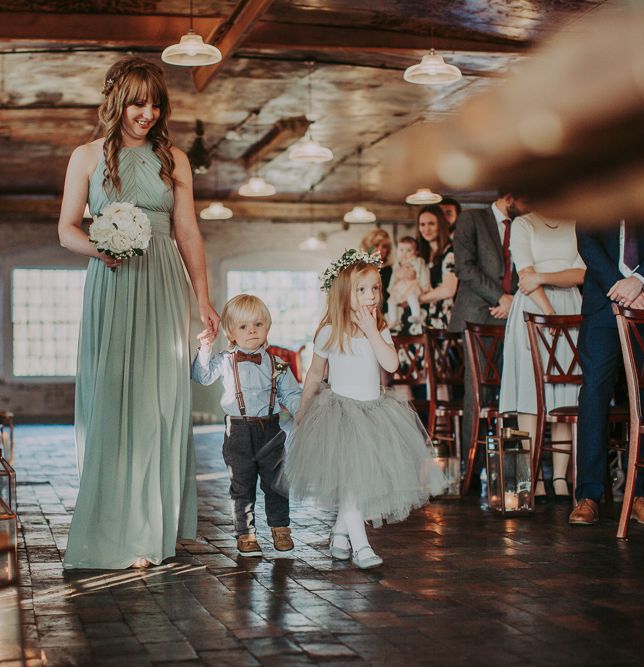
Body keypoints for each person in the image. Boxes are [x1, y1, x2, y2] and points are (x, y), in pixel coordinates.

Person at [58, 56, 219, 569]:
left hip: (164, 282)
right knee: (114, 397)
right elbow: (66, 229)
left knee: (160, 402)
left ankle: (157, 525)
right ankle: (117, 527)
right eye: (136, 103)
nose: (147, 113)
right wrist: (99, 249)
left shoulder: (174, 158)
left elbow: (188, 231)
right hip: (111, 281)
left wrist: (203, 300)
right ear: (116, 102)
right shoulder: (85, 157)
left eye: (155, 104)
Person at [282, 249, 445, 569]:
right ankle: (362, 547)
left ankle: (341, 534)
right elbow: (315, 374)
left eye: (375, 289)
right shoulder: (330, 331)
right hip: (340, 415)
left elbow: (391, 363)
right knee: (353, 483)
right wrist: (302, 409)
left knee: (357, 483)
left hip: (374, 414)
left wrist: (372, 331)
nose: (371, 296)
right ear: (345, 293)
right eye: (362, 290)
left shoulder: (379, 327)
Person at [569, 220, 644, 526]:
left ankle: (639, 493)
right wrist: (621, 286)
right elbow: (586, 240)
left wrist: (640, 280)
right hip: (603, 301)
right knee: (593, 392)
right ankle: (588, 495)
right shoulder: (595, 181)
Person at [192, 294, 302, 557]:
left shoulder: (278, 364)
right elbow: (201, 376)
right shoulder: (225, 360)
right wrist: (205, 350)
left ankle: (280, 528)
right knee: (241, 484)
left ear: (268, 326)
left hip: (271, 430)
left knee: (276, 482)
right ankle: (246, 533)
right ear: (231, 332)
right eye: (243, 327)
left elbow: (292, 396)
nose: (252, 330)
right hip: (238, 432)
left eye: (258, 324)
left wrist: (304, 415)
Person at [498, 213, 585, 501]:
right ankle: (532, 476)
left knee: (566, 391)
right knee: (531, 394)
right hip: (535, 308)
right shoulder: (524, 224)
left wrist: (543, 276)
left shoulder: (575, 223)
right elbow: (525, 276)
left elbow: (582, 273)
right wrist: (550, 315)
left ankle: (560, 477)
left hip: (571, 305)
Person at [449, 191, 530, 485]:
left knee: (513, 391)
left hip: (512, 316)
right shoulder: (472, 219)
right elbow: (465, 267)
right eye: (525, 200)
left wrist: (514, 301)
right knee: (478, 394)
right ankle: (470, 472)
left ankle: (509, 473)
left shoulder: (523, 225)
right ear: (510, 197)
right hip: (479, 317)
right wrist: (501, 297)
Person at [393, 205, 457, 335]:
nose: (426, 229)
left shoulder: (450, 252)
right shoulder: (419, 253)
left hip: (437, 318)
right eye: (422, 224)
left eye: (431, 224)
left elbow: (448, 290)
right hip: (413, 317)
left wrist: (416, 298)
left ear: (441, 224)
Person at [386, 236, 431, 328]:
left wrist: (425, 285)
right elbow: (393, 277)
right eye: (401, 250)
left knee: (412, 297)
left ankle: (416, 315)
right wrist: (391, 288)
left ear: (416, 252)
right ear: (397, 250)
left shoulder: (418, 261)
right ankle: (393, 319)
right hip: (400, 288)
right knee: (391, 301)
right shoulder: (397, 264)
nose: (404, 253)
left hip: (412, 286)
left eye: (409, 250)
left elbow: (423, 273)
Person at [360, 228, 393, 315]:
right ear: (368, 246)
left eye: (384, 246)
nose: (380, 249)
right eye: (376, 245)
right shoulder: (360, 269)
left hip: (386, 314)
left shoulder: (391, 270)